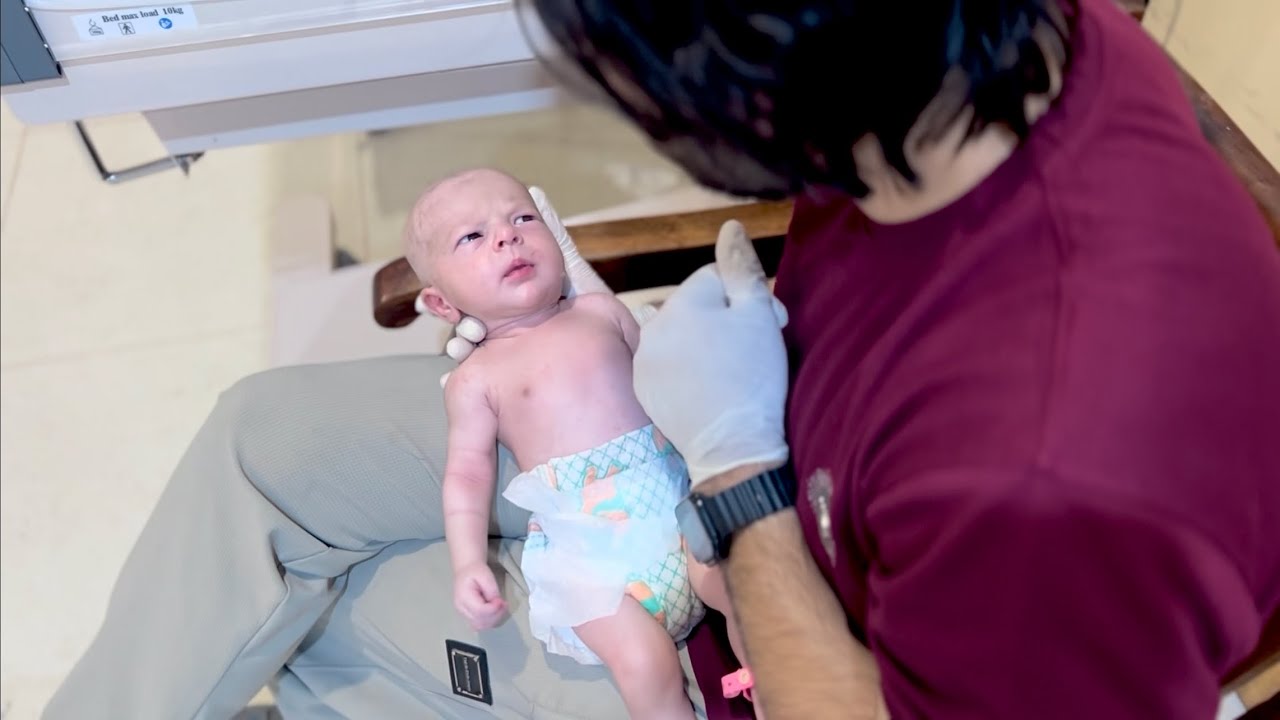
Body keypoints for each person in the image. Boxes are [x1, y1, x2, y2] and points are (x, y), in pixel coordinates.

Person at [44, 0, 1279, 718]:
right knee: (265, 444)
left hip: (730, 628)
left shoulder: (1053, 490)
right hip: (684, 439)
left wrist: (740, 486)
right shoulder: (997, 50)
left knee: (332, 640)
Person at [405, 167, 752, 718]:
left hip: (678, 513)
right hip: (593, 560)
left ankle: (771, 684)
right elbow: (467, 475)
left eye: (523, 217)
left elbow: (666, 385)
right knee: (644, 664)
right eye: (472, 236)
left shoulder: (601, 312)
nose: (507, 236)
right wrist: (469, 562)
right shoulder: (477, 378)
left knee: (742, 588)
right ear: (443, 304)